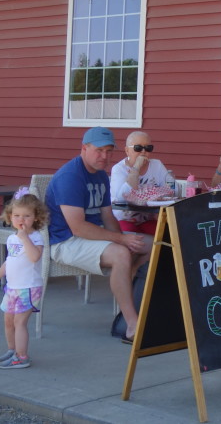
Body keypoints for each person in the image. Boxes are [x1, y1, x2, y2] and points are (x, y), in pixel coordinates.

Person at [44, 127, 152, 344]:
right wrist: (122, 241)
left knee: (153, 245)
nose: (105, 157)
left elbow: (108, 216)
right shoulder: (70, 176)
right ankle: (132, 324)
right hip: (65, 241)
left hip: (92, 238)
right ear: (84, 148)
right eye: (99, 151)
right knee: (121, 254)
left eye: (109, 151)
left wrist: (127, 239)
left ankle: (132, 302)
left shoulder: (101, 175)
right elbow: (78, 228)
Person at [0, 189, 48, 369]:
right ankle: (12, 350)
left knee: (19, 322)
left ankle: (22, 357)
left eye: (26, 216)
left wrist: (25, 239)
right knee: (8, 320)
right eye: (16, 215)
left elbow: (34, 257)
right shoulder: (12, 238)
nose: (21, 220)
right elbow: (10, 262)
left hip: (29, 288)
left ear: (36, 217)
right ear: (10, 216)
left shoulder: (35, 237)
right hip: (13, 287)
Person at [110, 131, 170, 235]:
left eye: (148, 148)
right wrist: (136, 168)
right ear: (127, 150)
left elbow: (171, 188)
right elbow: (121, 198)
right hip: (125, 218)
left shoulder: (157, 165)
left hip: (149, 217)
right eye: (138, 148)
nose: (143, 152)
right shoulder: (118, 169)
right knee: (134, 240)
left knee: (167, 235)